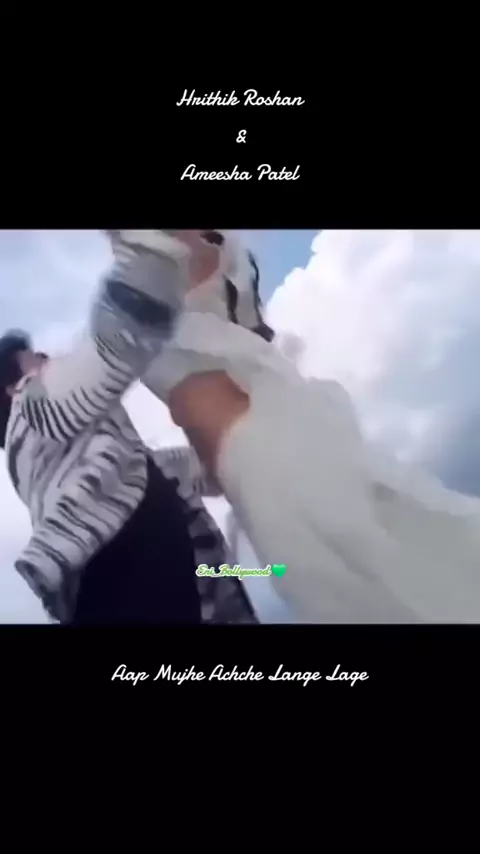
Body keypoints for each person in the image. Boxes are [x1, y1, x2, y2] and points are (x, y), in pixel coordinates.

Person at [111, 229, 480, 624]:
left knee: (386, 564)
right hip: (253, 467)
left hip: (263, 461)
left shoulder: (160, 286)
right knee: (386, 556)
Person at [0, 236, 256, 624]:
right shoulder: (32, 405)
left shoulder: (111, 471)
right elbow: (119, 340)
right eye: (37, 358)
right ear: (12, 388)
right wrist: (150, 250)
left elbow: (196, 467)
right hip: (123, 584)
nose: (51, 360)